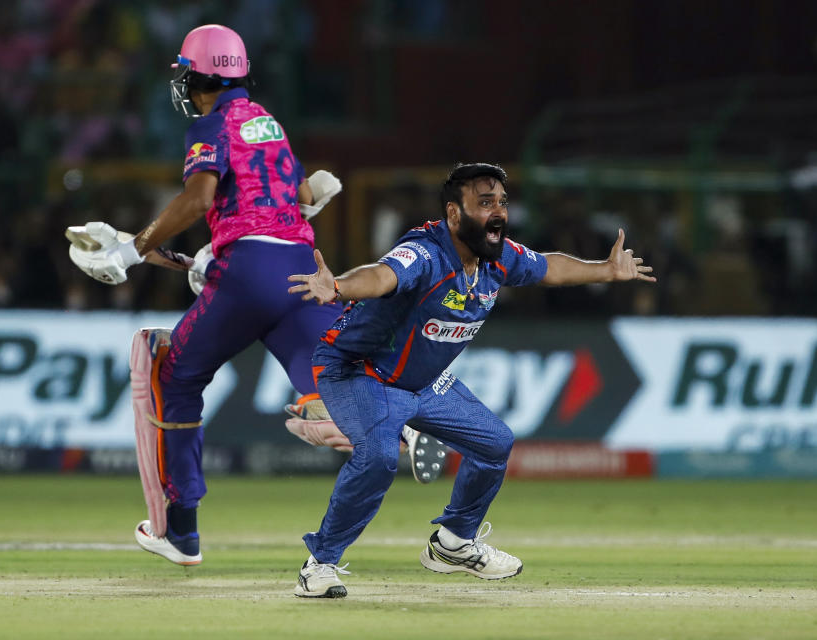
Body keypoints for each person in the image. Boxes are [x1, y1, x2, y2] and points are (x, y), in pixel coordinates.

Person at [66, 24, 444, 568]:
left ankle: (181, 531)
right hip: (300, 266)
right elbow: (294, 196)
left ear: (198, 76)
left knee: (174, 376)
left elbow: (199, 200)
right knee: (327, 389)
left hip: (249, 270)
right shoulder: (267, 121)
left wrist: (133, 251)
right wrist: (197, 256)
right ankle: (404, 424)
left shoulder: (212, 124)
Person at [286, 162, 655, 597]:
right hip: (358, 370)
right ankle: (320, 563)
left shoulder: (497, 259)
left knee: (494, 442)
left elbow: (548, 267)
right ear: (454, 214)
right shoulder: (424, 253)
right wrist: (341, 288)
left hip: (421, 381)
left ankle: (454, 542)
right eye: (484, 203)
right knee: (380, 457)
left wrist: (606, 271)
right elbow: (382, 275)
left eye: (502, 202)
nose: (498, 212)